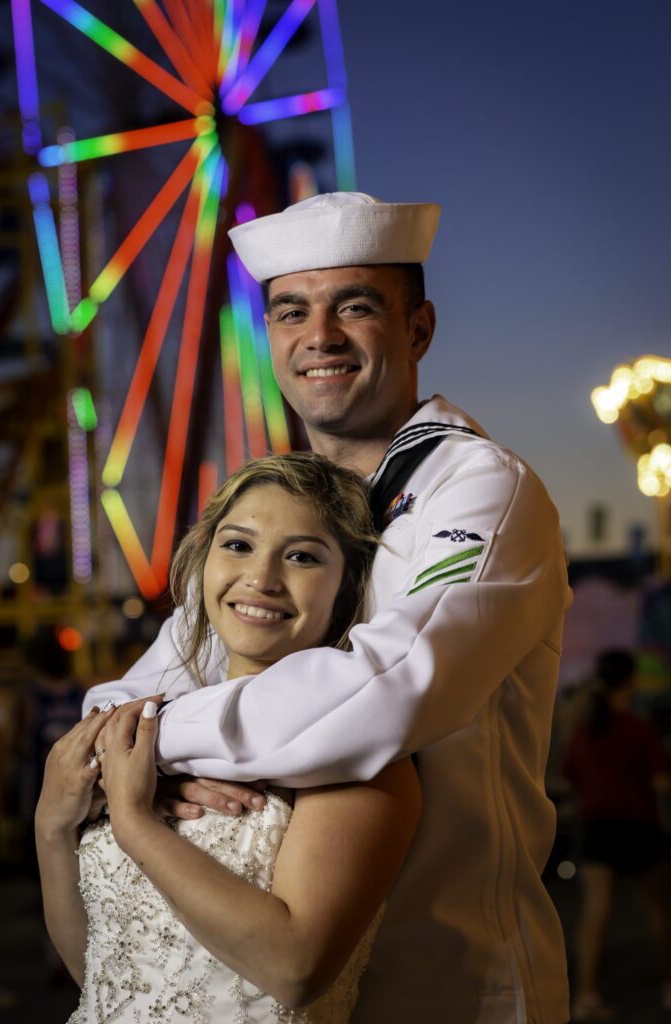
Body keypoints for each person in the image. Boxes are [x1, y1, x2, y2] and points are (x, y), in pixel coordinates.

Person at [85, 191, 571, 1023]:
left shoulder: (482, 486)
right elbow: (119, 699)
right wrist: (124, 743)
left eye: (354, 306)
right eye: (290, 312)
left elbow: (386, 694)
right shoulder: (292, 512)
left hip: (449, 977)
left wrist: (151, 746)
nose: (319, 337)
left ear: (418, 329)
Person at [36, 453, 421, 1021]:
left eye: (302, 556)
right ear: (203, 562)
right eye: (238, 544)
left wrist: (135, 822)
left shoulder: (357, 757)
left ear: (346, 590)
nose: (261, 579)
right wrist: (51, 824)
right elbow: (99, 970)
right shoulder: (152, 739)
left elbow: (297, 969)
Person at [563, 649, 671, 1022]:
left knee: (595, 914)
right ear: (631, 681)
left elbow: (572, 776)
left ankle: (586, 997)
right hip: (638, 826)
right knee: (658, 910)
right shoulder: (638, 729)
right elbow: (661, 782)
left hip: (597, 829)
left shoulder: (585, 730)